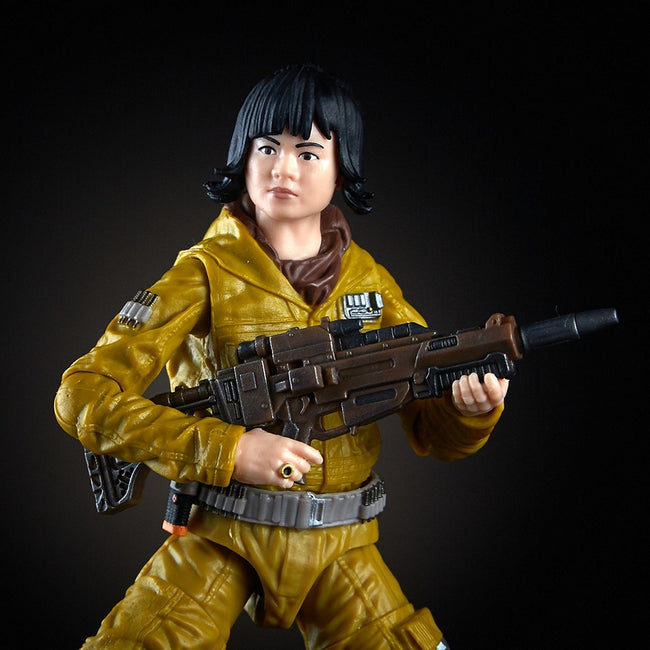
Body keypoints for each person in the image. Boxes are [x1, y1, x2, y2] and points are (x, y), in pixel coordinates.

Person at [55, 63, 509, 649]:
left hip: (342, 544)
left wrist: (470, 412)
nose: (283, 169)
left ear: (341, 168)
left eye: (309, 153)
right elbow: (83, 395)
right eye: (267, 147)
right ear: (242, 155)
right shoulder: (204, 274)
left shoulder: (370, 284)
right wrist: (227, 450)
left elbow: (433, 430)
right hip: (223, 533)